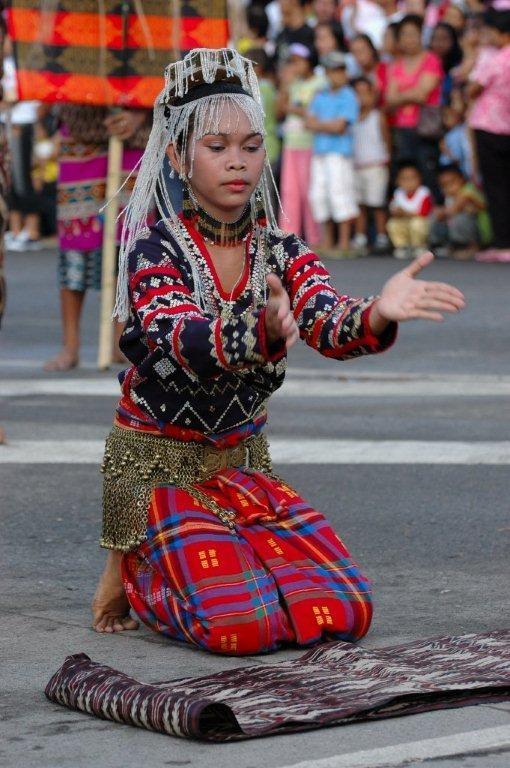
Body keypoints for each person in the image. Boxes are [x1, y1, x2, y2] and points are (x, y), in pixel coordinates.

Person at [91, 48, 465, 652]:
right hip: (157, 469)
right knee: (238, 626)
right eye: (217, 148)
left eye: (251, 145)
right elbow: (180, 338)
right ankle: (136, 568)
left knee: (342, 610)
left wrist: (377, 312)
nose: (238, 162)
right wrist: (256, 332)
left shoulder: (282, 249)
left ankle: (195, 558)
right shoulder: (153, 250)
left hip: (241, 467)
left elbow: (328, 322)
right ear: (179, 157)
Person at [43, 105, 151, 371]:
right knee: (75, 237)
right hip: (80, 128)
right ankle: (70, 346)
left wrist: (139, 115)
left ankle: (120, 341)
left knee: (130, 241)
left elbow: (162, 75)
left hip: (135, 134)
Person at [467, 8, 510, 262]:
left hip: (490, 126)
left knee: (496, 187)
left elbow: (475, 87)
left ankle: (503, 243)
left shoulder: (497, 58)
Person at [306, 51, 359, 255]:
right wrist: (326, 125)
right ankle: (327, 241)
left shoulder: (348, 95)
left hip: (339, 153)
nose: (337, 74)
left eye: (340, 70)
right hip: (320, 152)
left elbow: (341, 127)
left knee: (340, 194)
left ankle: (344, 242)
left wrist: (320, 125)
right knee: (319, 195)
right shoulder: (320, 94)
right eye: (332, 70)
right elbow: (309, 122)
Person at [386, 15, 444, 199]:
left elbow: (422, 95)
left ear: (421, 36)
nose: (408, 39)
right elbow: (389, 98)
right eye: (404, 34)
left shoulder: (431, 60)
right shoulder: (395, 65)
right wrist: (411, 94)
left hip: (425, 129)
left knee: (427, 176)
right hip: (403, 129)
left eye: (412, 34)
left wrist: (401, 95)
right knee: (405, 179)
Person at [276, 43, 324, 244]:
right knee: (289, 190)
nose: (295, 66)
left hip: (310, 144)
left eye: (298, 61)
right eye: (292, 62)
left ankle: (315, 237)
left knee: (309, 191)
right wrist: (286, 86)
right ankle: (289, 236)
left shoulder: (320, 83)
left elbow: (314, 113)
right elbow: (280, 110)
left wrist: (294, 109)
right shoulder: (293, 84)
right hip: (292, 143)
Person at [352, 77, 391, 254]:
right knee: (360, 204)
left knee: (377, 203)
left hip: (376, 165)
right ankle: (361, 237)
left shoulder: (377, 116)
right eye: (357, 93)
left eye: (365, 93)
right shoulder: (351, 118)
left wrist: (386, 158)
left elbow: (386, 140)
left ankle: (382, 237)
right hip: (357, 165)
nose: (361, 98)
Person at [429, 164, 489, 259]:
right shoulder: (449, 197)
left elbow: (452, 210)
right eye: (444, 185)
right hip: (456, 228)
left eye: (452, 183)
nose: (448, 188)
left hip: (481, 231)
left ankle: (470, 247)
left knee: (460, 219)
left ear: (461, 180)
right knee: (434, 216)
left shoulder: (467, 192)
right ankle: (446, 246)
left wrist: (442, 212)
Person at [387, 161, 433, 259]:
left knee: (417, 223)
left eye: (412, 178)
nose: (409, 182)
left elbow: (423, 213)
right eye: (405, 179)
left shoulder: (423, 193)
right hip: (405, 223)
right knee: (392, 223)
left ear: (419, 179)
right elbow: (393, 210)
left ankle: (419, 246)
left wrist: (404, 213)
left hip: (421, 223)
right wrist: (396, 213)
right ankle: (402, 247)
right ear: (398, 181)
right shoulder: (398, 193)